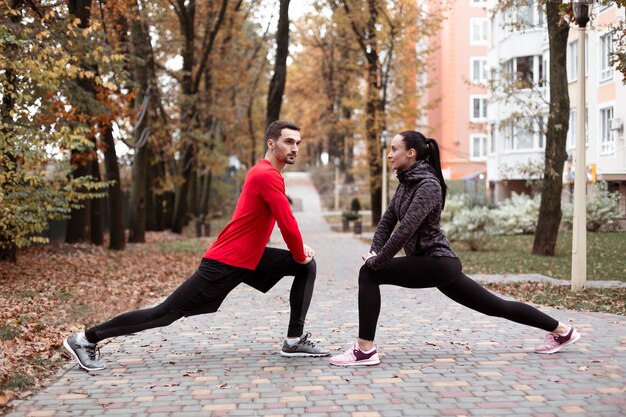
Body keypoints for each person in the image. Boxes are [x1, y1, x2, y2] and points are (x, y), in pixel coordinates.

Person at [64, 120, 330, 372]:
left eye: (297, 142)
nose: (294, 148)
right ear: (271, 144)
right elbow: (286, 221)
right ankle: (85, 339)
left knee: (305, 267)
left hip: (248, 257)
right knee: (164, 314)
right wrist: (299, 252)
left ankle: (294, 340)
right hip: (226, 262)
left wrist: (300, 255)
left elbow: (281, 222)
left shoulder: (266, 173)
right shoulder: (266, 174)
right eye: (288, 141)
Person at [330, 130, 580, 367]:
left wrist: (379, 261)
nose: (389, 154)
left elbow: (405, 228)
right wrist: (375, 251)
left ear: (411, 153)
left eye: (394, 149)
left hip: (437, 262)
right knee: (495, 306)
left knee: (369, 273)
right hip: (436, 265)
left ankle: (364, 349)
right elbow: (387, 221)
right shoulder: (406, 183)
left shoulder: (428, 185)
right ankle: (562, 331)